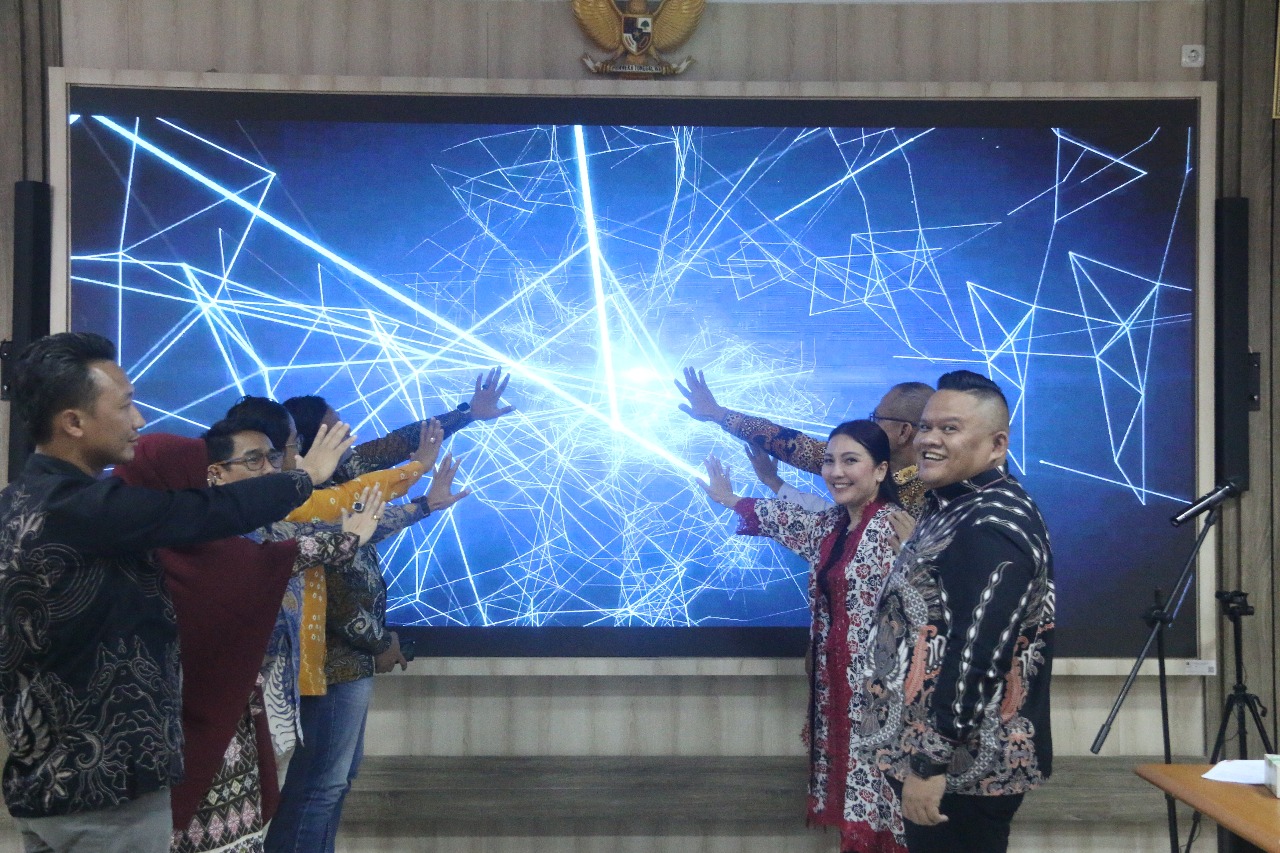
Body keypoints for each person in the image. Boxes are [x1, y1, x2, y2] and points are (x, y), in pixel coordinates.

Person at [0, 332, 351, 853]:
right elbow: (209, 512)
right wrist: (303, 480)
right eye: (125, 405)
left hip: (45, 782)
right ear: (73, 422)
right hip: (107, 792)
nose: (139, 420)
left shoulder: (17, 503)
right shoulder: (84, 510)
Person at [266, 370, 510, 853]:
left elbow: (395, 447)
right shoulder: (309, 500)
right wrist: (379, 642)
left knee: (331, 783)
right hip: (332, 665)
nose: (351, 435)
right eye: (337, 429)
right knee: (320, 787)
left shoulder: (346, 476)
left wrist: (464, 415)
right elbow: (339, 592)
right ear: (308, 444)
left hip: (348, 664)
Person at [114, 428, 380, 853]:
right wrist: (342, 530)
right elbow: (269, 560)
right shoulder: (199, 548)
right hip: (208, 742)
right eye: (255, 460)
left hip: (126, 750)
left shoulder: (112, 542)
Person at [859, 370, 1053, 853]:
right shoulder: (954, 505)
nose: (929, 439)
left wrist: (931, 763)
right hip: (942, 760)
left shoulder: (989, 522)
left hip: (961, 769)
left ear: (997, 445)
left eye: (950, 428)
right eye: (926, 427)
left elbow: (978, 652)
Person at [700, 420, 906, 853]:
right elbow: (784, 518)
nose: (836, 471)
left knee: (889, 810)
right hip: (837, 693)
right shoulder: (830, 525)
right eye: (829, 461)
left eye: (850, 460)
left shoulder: (898, 529)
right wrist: (730, 498)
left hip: (884, 703)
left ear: (881, 470)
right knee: (854, 800)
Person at [675, 368, 934, 517]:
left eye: (877, 418)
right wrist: (720, 415)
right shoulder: (871, 470)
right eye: (831, 461)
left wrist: (732, 498)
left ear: (904, 432)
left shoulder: (937, 500)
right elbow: (796, 446)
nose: (836, 472)